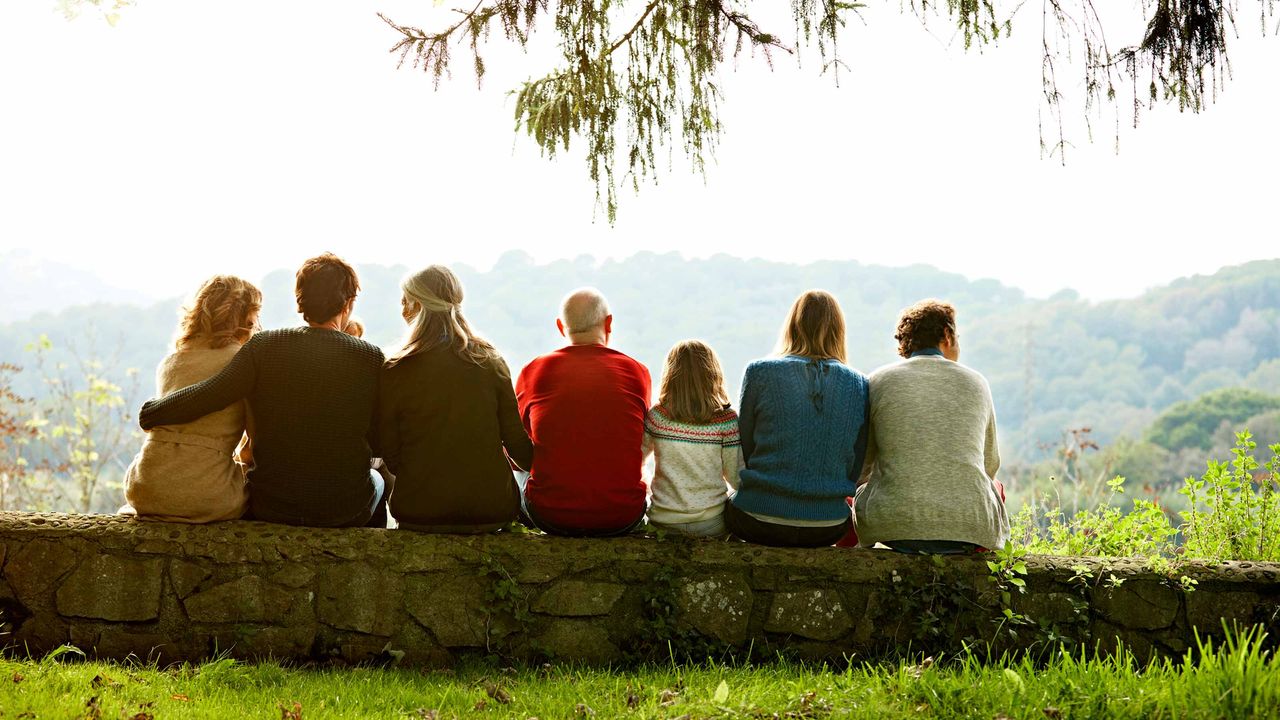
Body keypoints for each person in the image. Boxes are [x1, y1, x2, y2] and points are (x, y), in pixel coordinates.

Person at [138, 253, 387, 528]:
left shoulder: (264, 346)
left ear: (299, 300)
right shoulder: (371, 358)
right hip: (343, 508)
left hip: (270, 505)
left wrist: (152, 412)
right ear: (349, 303)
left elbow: (211, 394)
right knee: (377, 479)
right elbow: (379, 439)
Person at [375, 265, 533, 533]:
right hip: (491, 509)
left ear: (417, 305)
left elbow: (385, 446)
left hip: (419, 509)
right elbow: (516, 444)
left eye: (404, 301)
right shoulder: (490, 361)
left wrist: (419, 475)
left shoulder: (396, 368)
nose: (402, 310)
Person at [853, 299, 1009, 554]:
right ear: (946, 335)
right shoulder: (977, 382)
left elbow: (864, 467)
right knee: (996, 487)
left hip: (892, 526)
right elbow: (989, 464)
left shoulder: (878, 381)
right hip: (970, 528)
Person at [726, 290, 869, 548]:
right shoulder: (859, 384)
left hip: (758, 518)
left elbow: (745, 446)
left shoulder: (759, 372)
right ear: (839, 331)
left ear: (792, 325)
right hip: (829, 526)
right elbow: (855, 464)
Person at [122, 276, 260, 523]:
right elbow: (253, 445)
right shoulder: (243, 362)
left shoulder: (169, 362)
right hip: (206, 495)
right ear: (246, 318)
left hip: (144, 487)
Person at [515, 287, 651, 536]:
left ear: (560, 326)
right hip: (622, 514)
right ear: (608, 323)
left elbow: (516, 451)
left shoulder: (533, 371)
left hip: (550, 515)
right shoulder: (636, 372)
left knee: (519, 470)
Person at [642, 340, 741, 538]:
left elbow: (637, 459)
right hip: (710, 523)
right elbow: (735, 477)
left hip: (663, 521)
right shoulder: (726, 421)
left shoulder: (658, 416)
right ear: (713, 375)